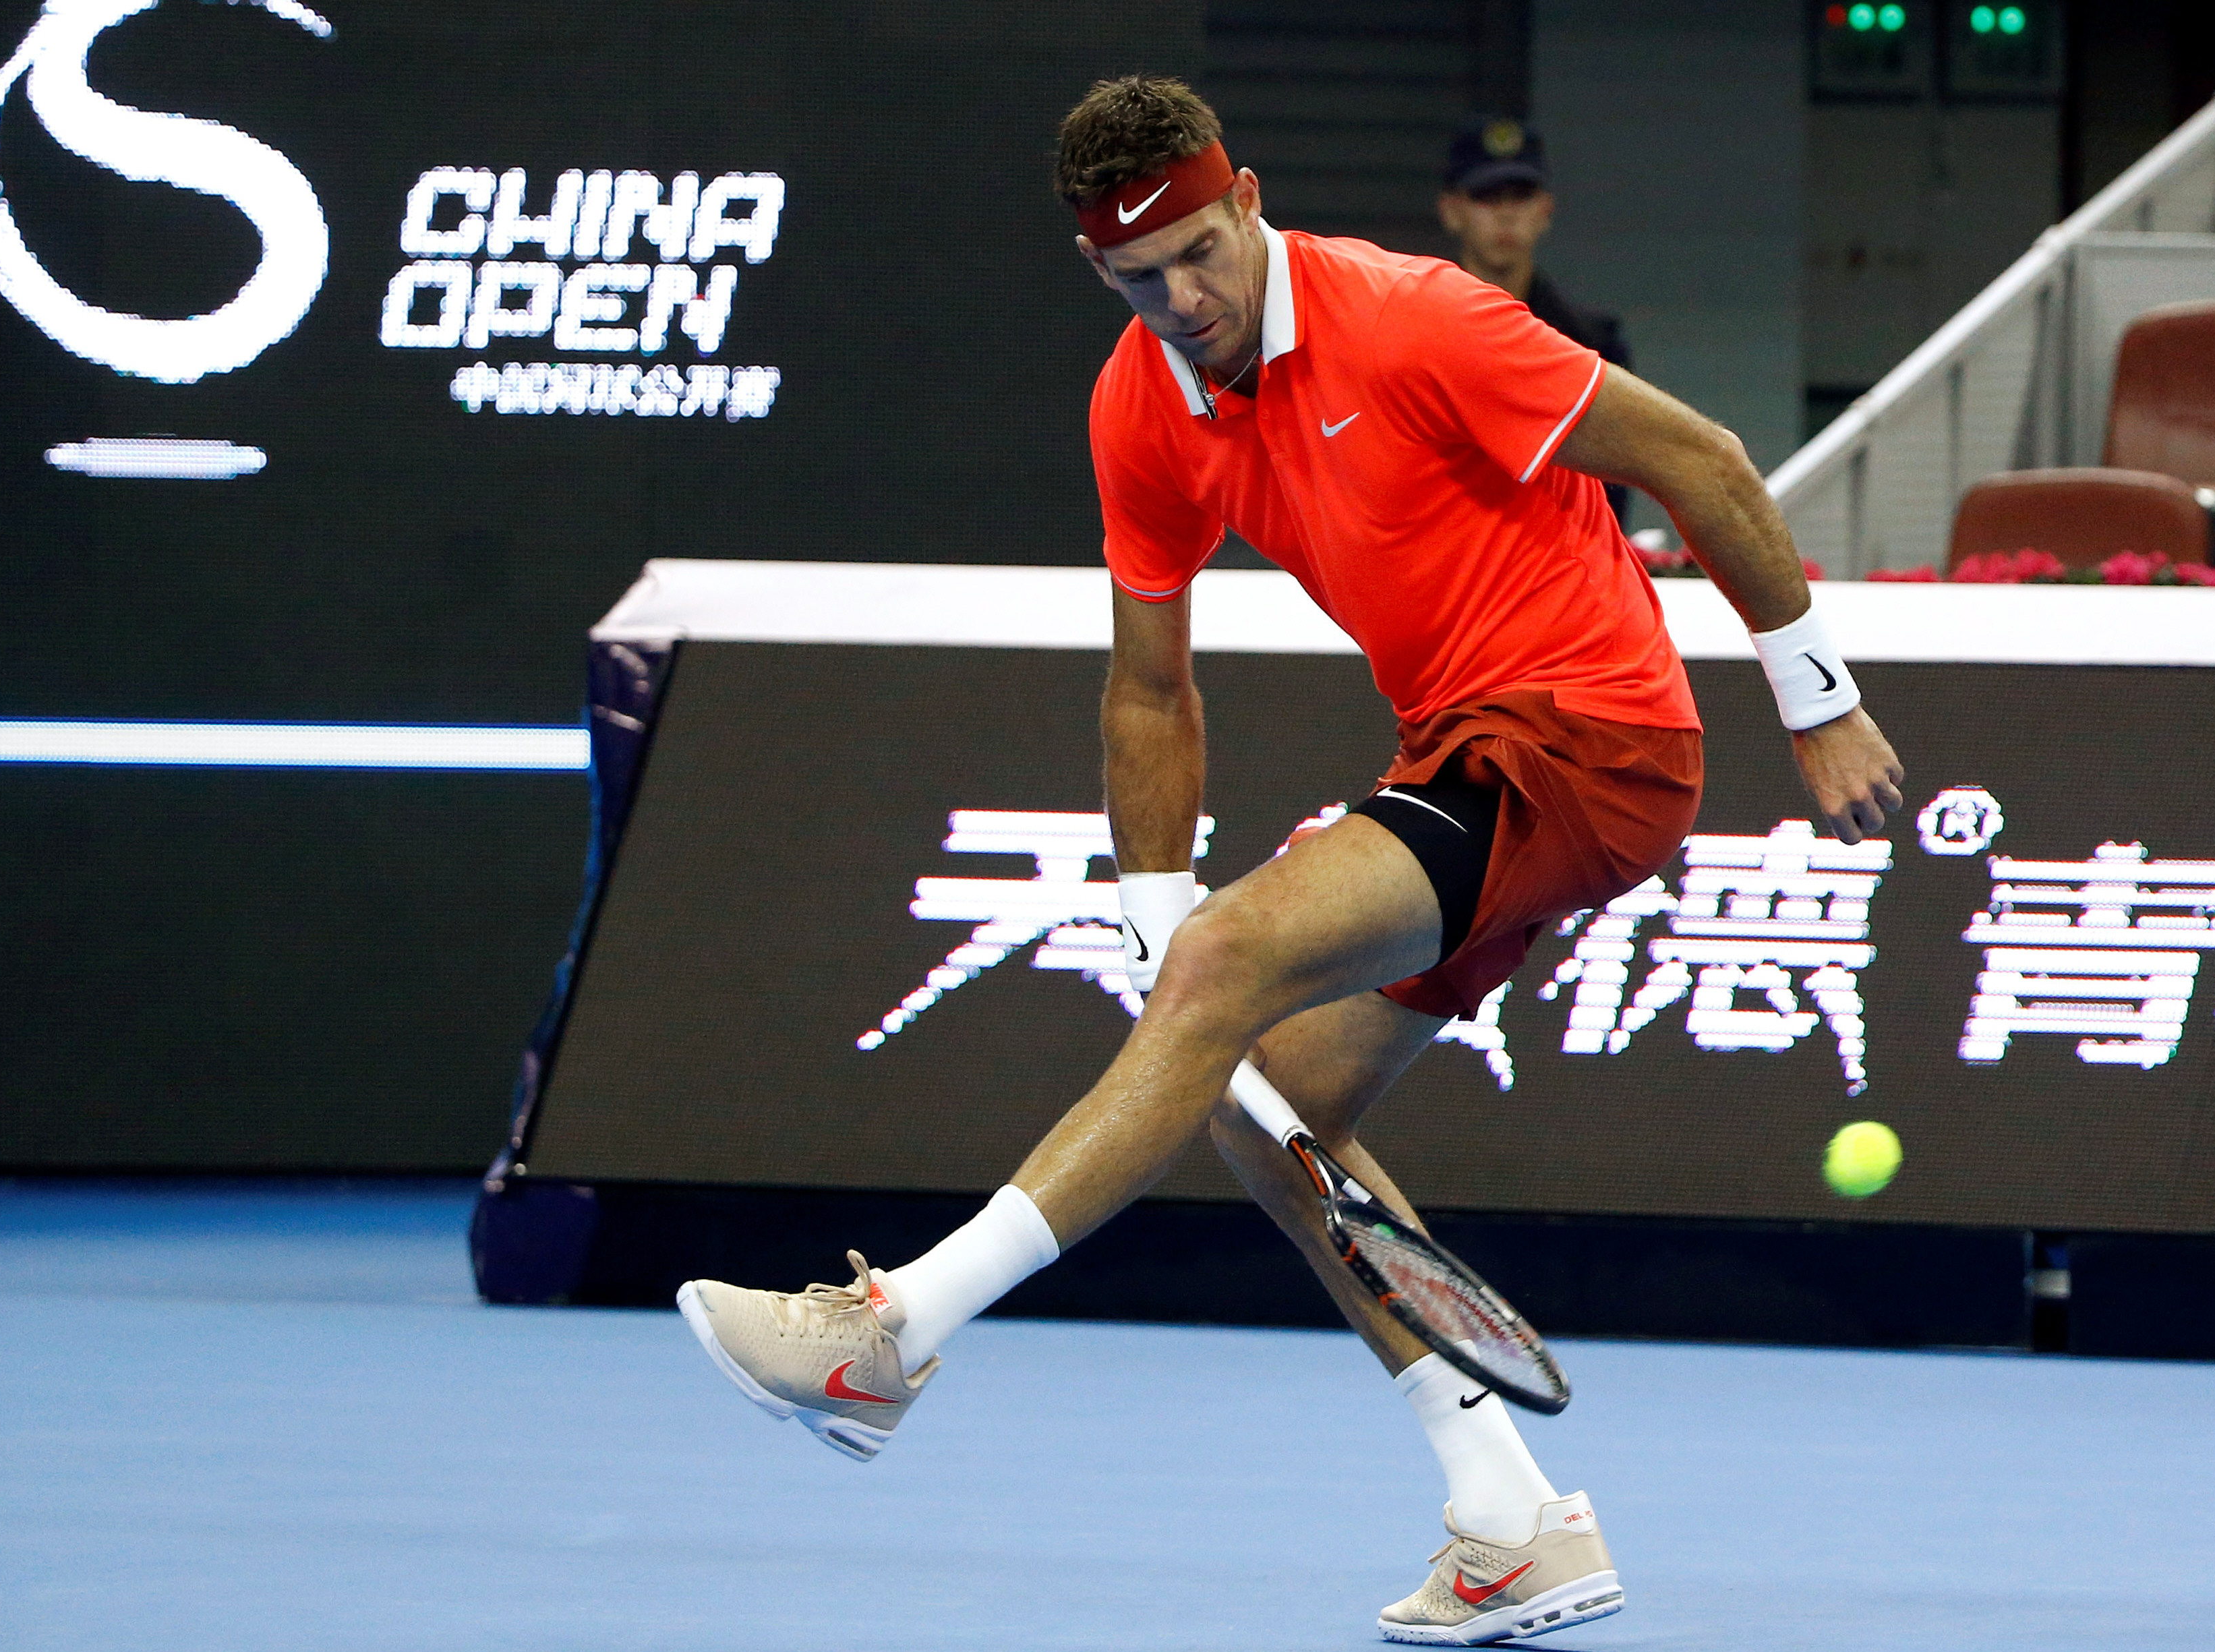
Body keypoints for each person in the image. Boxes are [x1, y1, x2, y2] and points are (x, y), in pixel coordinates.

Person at [676, 77, 1905, 1647]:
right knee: (1263, 1106)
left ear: (1247, 200)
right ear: (1095, 269)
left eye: (1202, 252)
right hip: (1457, 754)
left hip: (1587, 739)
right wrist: (1152, 911)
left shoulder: (1417, 318)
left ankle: (890, 1333)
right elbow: (1149, 684)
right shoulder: (1140, 404)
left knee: (1232, 972)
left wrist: (1819, 701)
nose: (1183, 298)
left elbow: (1703, 457)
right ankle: (1512, 1515)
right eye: (1142, 277)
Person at [1438, 116, 1635, 525]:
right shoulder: (1412, 337)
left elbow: (1612, 500)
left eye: (1521, 196)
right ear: (1452, 211)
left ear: (1546, 209)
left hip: (1560, 551)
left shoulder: (1595, 347)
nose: (1506, 215)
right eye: (1487, 197)